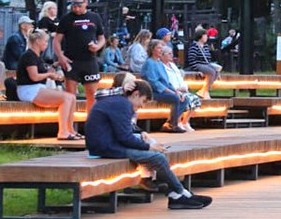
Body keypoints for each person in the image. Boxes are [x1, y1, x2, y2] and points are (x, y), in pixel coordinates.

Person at [85, 77, 211, 209]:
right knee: (157, 157)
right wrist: (148, 147)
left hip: (107, 143)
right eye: (143, 101)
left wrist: (141, 135)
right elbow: (125, 138)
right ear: (136, 94)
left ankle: (178, 194)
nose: (142, 106)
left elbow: (121, 131)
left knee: (155, 149)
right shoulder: (122, 104)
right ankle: (180, 193)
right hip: (106, 148)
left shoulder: (118, 101)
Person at [16, 29, 80, 140]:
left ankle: (70, 129)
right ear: (37, 41)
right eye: (45, 42)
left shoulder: (37, 56)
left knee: (72, 97)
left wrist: (55, 66)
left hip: (38, 87)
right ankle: (62, 131)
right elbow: (34, 76)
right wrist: (49, 76)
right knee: (66, 98)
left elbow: (45, 73)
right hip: (28, 89)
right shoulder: (29, 56)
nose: (46, 44)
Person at [53, 0, 105, 113]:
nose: (76, 8)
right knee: (70, 95)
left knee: (92, 94)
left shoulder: (95, 17)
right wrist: (60, 56)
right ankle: (69, 126)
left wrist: (97, 47)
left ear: (86, 3)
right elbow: (56, 40)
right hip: (72, 60)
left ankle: (91, 124)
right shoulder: (67, 18)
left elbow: (102, 38)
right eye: (74, 5)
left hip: (89, 60)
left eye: (79, 5)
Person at [143, 39, 191, 133]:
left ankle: (170, 123)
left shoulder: (160, 64)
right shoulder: (149, 63)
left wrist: (176, 91)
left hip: (164, 90)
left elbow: (166, 81)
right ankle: (174, 125)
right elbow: (154, 82)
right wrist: (172, 92)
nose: (161, 50)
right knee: (175, 98)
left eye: (161, 48)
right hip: (153, 91)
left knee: (184, 99)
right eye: (159, 48)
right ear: (153, 50)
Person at [161, 44, 201, 132]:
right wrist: (177, 89)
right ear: (162, 55)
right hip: (172, 90)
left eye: (171, 53)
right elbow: (166, 82)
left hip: (182, 89)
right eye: (169, 53)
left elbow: (179, 77)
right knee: (183, 99)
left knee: (194, 98)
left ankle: (185, 121)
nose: (171, 55)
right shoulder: (161, 67)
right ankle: (177, 122)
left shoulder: (173, 65)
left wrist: (184, 87)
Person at [186, 28, 222, 100]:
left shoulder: (205, 46)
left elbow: (208, 59)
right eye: (205, 36)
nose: (206, 38)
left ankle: (204, 90)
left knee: (217, 70)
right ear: (200, 36)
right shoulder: (194, 46)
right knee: (211, 72)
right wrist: (196, 69)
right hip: (198, 64)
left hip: (205, 64)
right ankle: (205, 91)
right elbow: (191, 59)